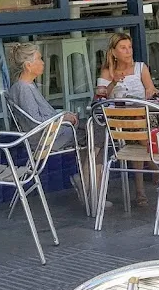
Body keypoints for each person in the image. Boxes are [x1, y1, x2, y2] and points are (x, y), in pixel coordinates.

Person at [6, 43, 98, 204]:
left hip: (50, 132)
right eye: (39, 59)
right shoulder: (23, 89)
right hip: (46, 138)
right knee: (97, 136)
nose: (43, 62)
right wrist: (64, 118)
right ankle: (89, 188)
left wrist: (63, 116)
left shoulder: (25, 86)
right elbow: (37, 122)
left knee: (93, 130)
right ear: (28, 65)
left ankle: (85, 183)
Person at [96, 32, 157, 206]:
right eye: (123, 48)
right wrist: (113, 82)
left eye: (129, 47)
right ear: (114, 52)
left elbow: (151, 90)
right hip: (120, 121)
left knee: (137, 130)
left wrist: (150, 92)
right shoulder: (107, 72)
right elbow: (100, 98)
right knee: (137, 132)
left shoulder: (140, 68)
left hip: (144, 115)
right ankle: (156, 169)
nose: (128, 51)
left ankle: (140, 192)